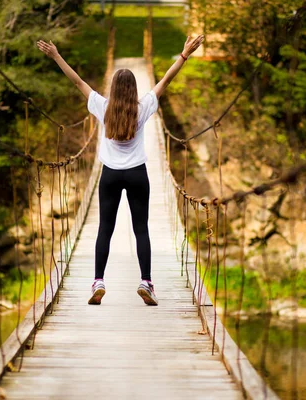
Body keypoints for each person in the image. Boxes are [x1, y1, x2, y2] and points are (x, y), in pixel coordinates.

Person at [37, 34, 204, 306]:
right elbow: (166, 81)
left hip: (110, 175)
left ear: (113, 88)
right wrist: (184, 54)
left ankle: (98, 281)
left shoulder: (102, 107)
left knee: (105, 228)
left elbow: (78, 81)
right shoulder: (143, 107)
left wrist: (56, 56)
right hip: (138, 173)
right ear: (133, 89)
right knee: (141, 229)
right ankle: (146, 282)